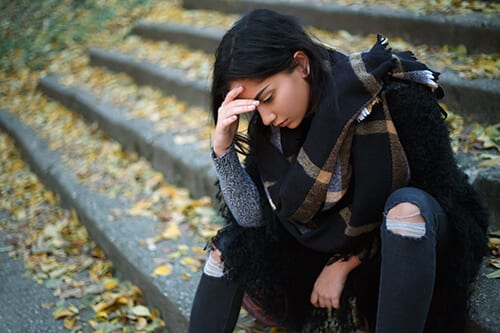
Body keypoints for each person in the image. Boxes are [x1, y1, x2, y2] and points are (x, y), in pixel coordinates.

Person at [188, 9, 489, 333]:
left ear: (301, 65)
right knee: (229, 248)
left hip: (406, 247)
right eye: (254, 108)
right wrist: (223, 151)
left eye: (268, 98)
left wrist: (348, 261)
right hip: (319, 249)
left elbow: (442, 196)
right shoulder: (271, 135)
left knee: (407, 207)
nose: (267, 116)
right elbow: (254, 220)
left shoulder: (389, 94)